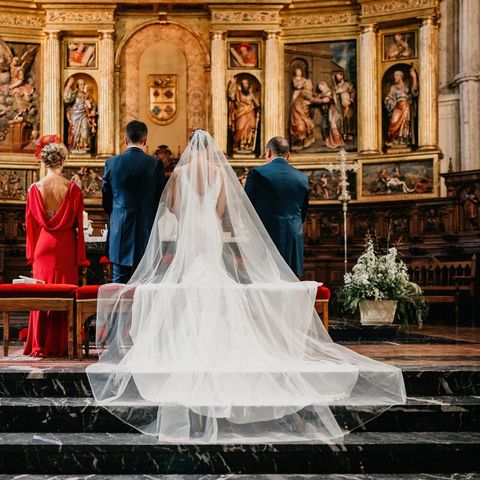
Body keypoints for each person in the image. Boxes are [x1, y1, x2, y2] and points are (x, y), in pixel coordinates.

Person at [86, 129, 406, 444]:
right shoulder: (218, 174)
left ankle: (186, 335)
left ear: (189, 149)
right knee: (213, 278)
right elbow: (222, 211)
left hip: (188, 232)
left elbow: (167, 207)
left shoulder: (181, 173)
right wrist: (207, 213)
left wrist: (186, 213)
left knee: (187, 283)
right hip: (209, 230)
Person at [23, 135, 87, 357]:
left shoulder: (34, 188)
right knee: (65, 294)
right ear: (63, 161)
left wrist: (32, 251)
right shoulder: (73, 189)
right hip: (65, 245)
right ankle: (61, 344)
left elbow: (30, 225)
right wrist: (80, 253)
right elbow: (79, 224)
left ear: (44, 161)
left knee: (41, 294)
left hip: (43, 245)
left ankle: (39, 344)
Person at [102, 120, 165, 283]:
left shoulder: (111, 163)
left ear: (125, 140)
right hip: (147, 229)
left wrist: (116, 212)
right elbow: (161, 198)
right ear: (145, 141)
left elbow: (106, 199)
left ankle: (119, 309)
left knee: (118, 282)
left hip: (120, 230)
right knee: (146, 282)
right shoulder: (155, 164)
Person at [244, 136, 309, 277]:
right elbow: (303, 212)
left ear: (268, 152)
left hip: (265, 239)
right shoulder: (302, 177)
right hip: (293, 238)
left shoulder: (257, 174)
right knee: (291, 284)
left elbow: (246, 208)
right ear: (288, 155)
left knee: (266, 285)